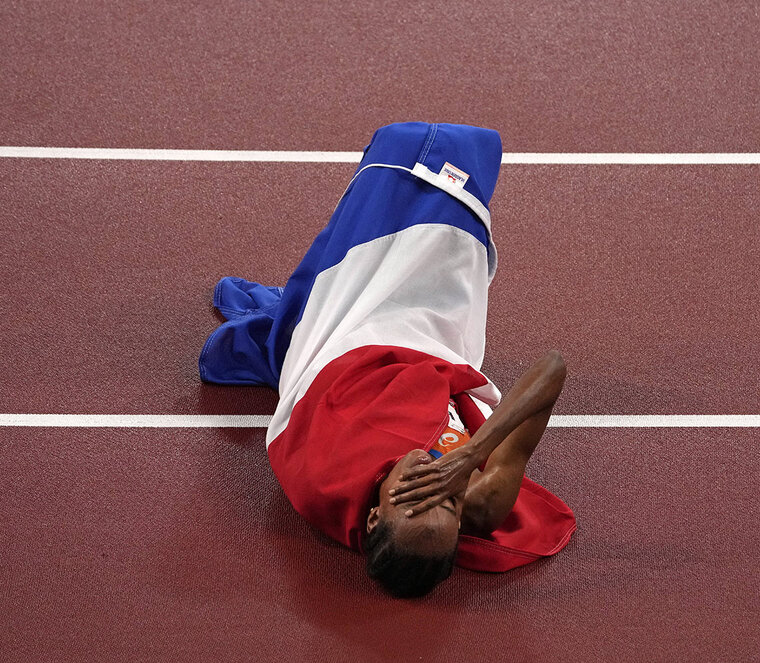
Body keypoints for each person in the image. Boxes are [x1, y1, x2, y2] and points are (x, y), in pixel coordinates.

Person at [199, 122, 576, 598]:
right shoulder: (482, 499)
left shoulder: (323, 483)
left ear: (376, 514)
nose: (432, 486)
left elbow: (314, 407)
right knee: (463, 173)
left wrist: (321, 346)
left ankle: (294, 321)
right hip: (436, 337)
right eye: (446, 504)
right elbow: (552, 368)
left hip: (347, 345)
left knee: (400, 158)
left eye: (415, 502)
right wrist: (470, 459)